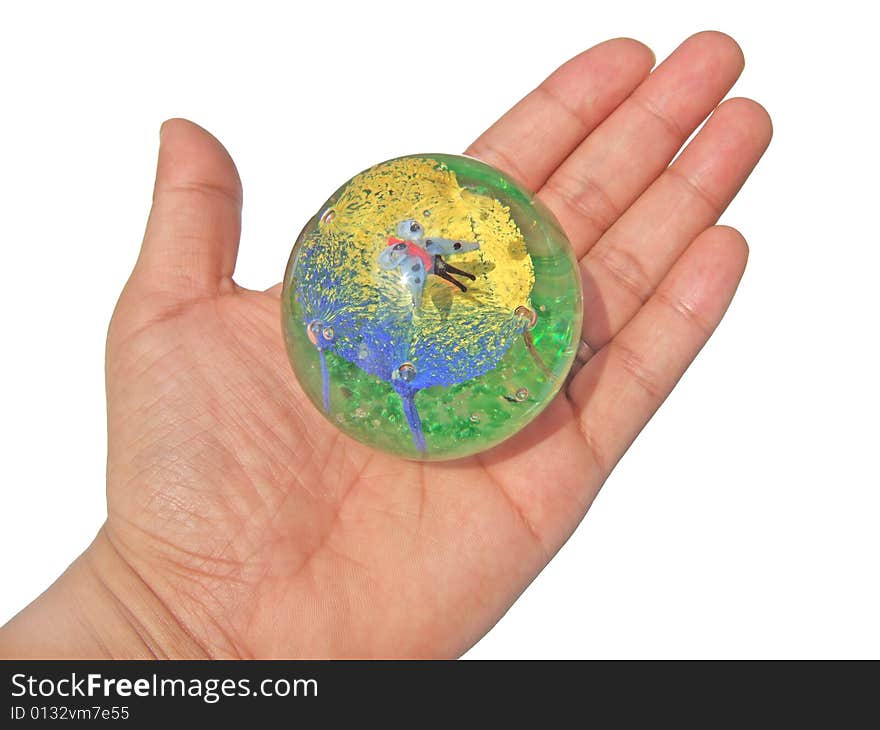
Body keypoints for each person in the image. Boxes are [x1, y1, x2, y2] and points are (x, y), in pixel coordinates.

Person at [0, 31, 771, 658]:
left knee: (467, 289)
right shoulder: (389, 263)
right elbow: (418, 258)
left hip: (471, 313)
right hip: (411, 336)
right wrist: (161, 622)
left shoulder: (439, 251)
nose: (414, 242)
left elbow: (442, 256)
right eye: (409, 238)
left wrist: (157, 628)